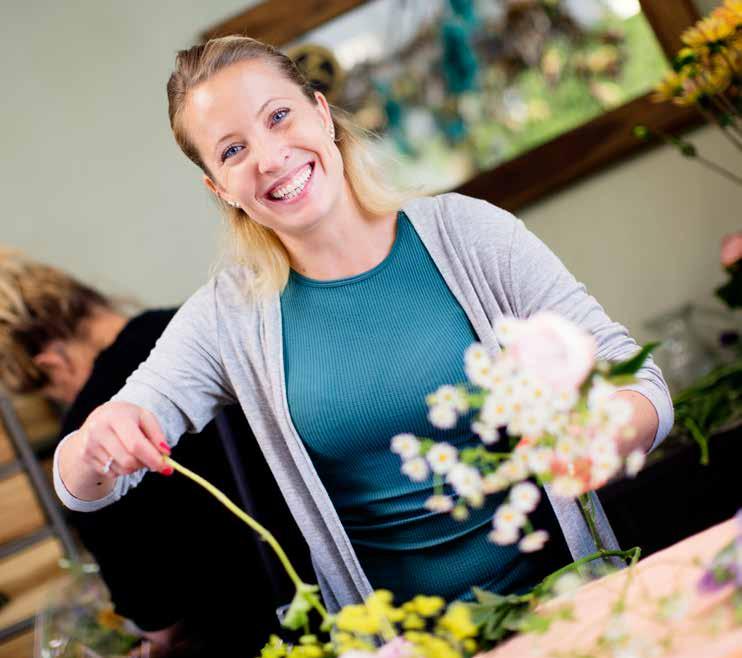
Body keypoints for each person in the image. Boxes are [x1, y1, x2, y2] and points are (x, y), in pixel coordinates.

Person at [54, 36, 673, 613]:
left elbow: (639, 380)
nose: (270, 157)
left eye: (278, 117)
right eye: (233, 150)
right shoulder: (228, 318)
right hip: (403, 644)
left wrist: (605, 433)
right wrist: (99, 438)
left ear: (322, 113)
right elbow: (85, 486)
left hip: (573, 606)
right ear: (218, 187)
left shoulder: (469, 234)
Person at [0, 250, 309, 656]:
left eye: (48, 390)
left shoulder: (90, 455)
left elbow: (163, 623)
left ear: (51, 363)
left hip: (261, 633)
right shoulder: (201, 326)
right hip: (357, 576)